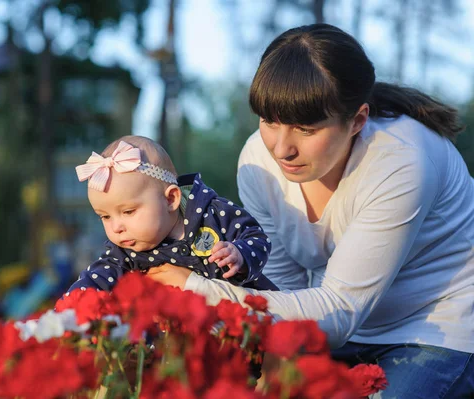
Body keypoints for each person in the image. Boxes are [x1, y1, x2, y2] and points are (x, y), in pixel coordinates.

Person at [146, 24, 474, 398]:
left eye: (305, 128)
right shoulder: (259, 161)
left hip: (436, 328)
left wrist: (197, 290)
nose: (282, 149)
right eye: (270, 120)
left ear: (357, 121)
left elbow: (339, 311)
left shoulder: (401, 161)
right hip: (339, 328)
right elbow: (281, 284)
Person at [60, 135, 277, 295]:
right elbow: (96, 279)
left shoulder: (213, 213)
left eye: (128, 211)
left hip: (243, 323)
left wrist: (240, 253)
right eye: (104, 216)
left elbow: (257, 238)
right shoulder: (124, 252)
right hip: (179, 343)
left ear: (170, 199)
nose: (116, 227)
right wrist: (72, 305)